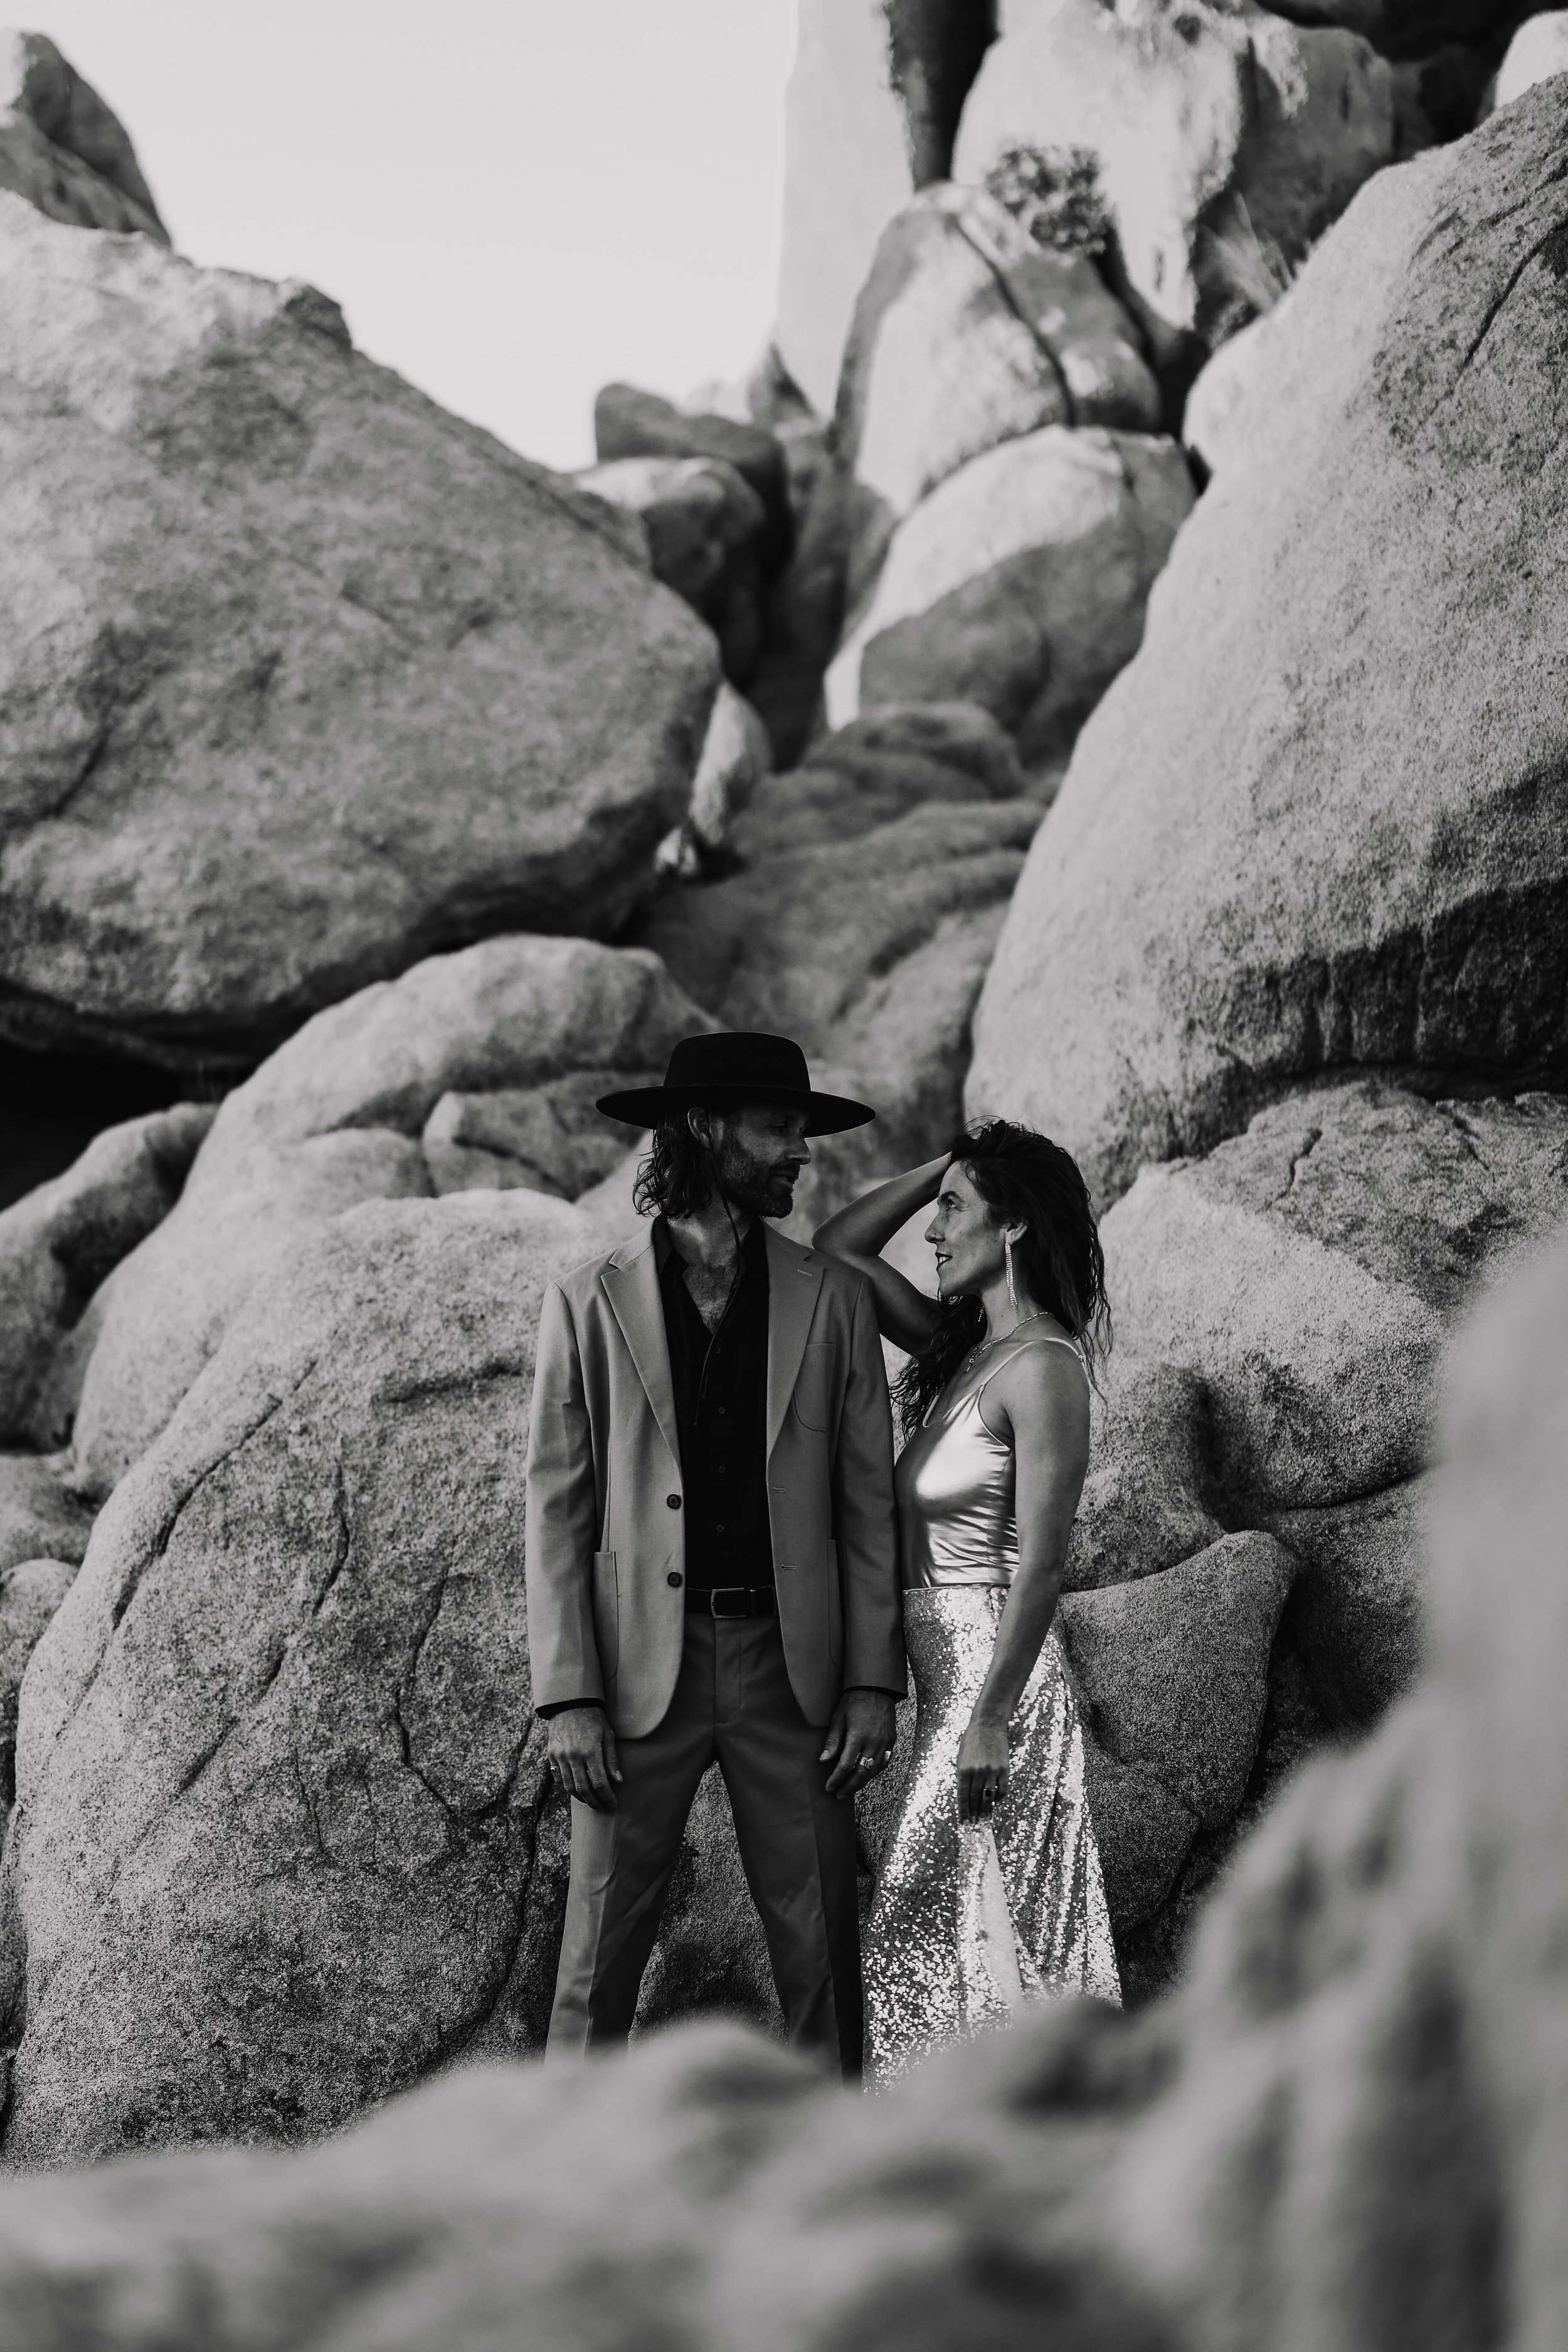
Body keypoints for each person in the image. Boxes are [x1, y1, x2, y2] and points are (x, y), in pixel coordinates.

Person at [526, 1030, 906, 2079]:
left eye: (802, 1130)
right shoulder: (585, 1301)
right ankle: (557, 2196)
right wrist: (568, 1694)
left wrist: (874, 1678)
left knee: (824, 1950)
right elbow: (557, 1510)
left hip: (795, 1674)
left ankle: (831, 2190)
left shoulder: (835, 1299)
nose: (801, 1152)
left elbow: (867, 1504)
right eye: (781, 1128)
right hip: (641, 1669)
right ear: (705, 1129)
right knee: (594, 1959)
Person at [813, 1118, 1120, 2084]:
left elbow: (1042, 1562)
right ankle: (965, 2167)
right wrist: (937, 1167)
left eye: (954, 1209)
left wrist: (991, 1715)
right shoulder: (961, 1353)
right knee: (956, 1946)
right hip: (952, 1692)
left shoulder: (1047, 1367)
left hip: (1001, 1692)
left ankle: (990, 2154)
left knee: (933, 1927)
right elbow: (836, 1253)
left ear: (1016, 1227)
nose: (935, 1231)